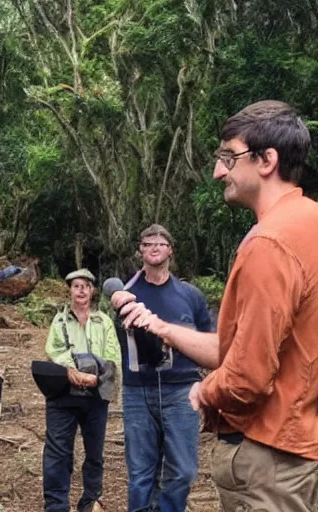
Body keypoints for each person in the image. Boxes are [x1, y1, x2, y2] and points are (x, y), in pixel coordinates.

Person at [116, 100, 318, 511]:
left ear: (267, 160)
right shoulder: (309, 223)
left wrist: (204, 391)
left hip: (269, 457)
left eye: (229, 157)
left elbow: (247, 376)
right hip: (304, 446)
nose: (218, 171)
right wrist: (162, 327)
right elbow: (245, 348)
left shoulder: (269, 243)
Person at [117, 224, 213, 512]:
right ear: (140, 251)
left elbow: (208, 342)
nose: (154, 247)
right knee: (140, 474)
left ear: (171, 249)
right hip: (138, 391)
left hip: (181, 391)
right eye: (147, 243)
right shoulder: (127, 294)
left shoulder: (190, 295)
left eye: (160, 243)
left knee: (182, 470)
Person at [42, 269, 120, 512]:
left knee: (94, 452)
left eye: (86, 285)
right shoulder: (60, 320)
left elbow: (112, 354)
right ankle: (56, 504)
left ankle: (90, 501)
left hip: (96, 395)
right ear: (70, 290)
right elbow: (53, 350)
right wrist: (72, 370)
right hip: (64, 394)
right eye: (76, 286)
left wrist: (95, 376)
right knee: (58, 452)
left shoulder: (104, 321)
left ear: (92, 290)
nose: (81, 290)